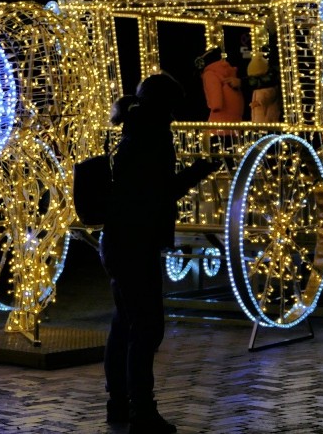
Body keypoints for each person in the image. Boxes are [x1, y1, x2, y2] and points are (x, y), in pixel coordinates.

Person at [100, 73, 220, 433]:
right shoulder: (151, 137)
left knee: (124, 323)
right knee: (147, 328)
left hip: (120, 240)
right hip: (136, 242)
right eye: (170, 108)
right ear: (160, 106)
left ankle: (119, 403)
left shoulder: (133, 132)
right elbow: (158, 192)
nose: (172, 116)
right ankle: (143, 412)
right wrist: (197, 171)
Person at [196, 47, 244, 123]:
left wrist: (215, 106)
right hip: (236, 112)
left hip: (221, 115)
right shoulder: (229, 73)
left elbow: (215, 91)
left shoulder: (210, 74)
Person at [246, 51, 282, 123]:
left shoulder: (269, 85)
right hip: (260, 116)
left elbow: (268, 95)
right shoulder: (260, 87)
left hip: (268, 118)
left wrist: (259, 102)